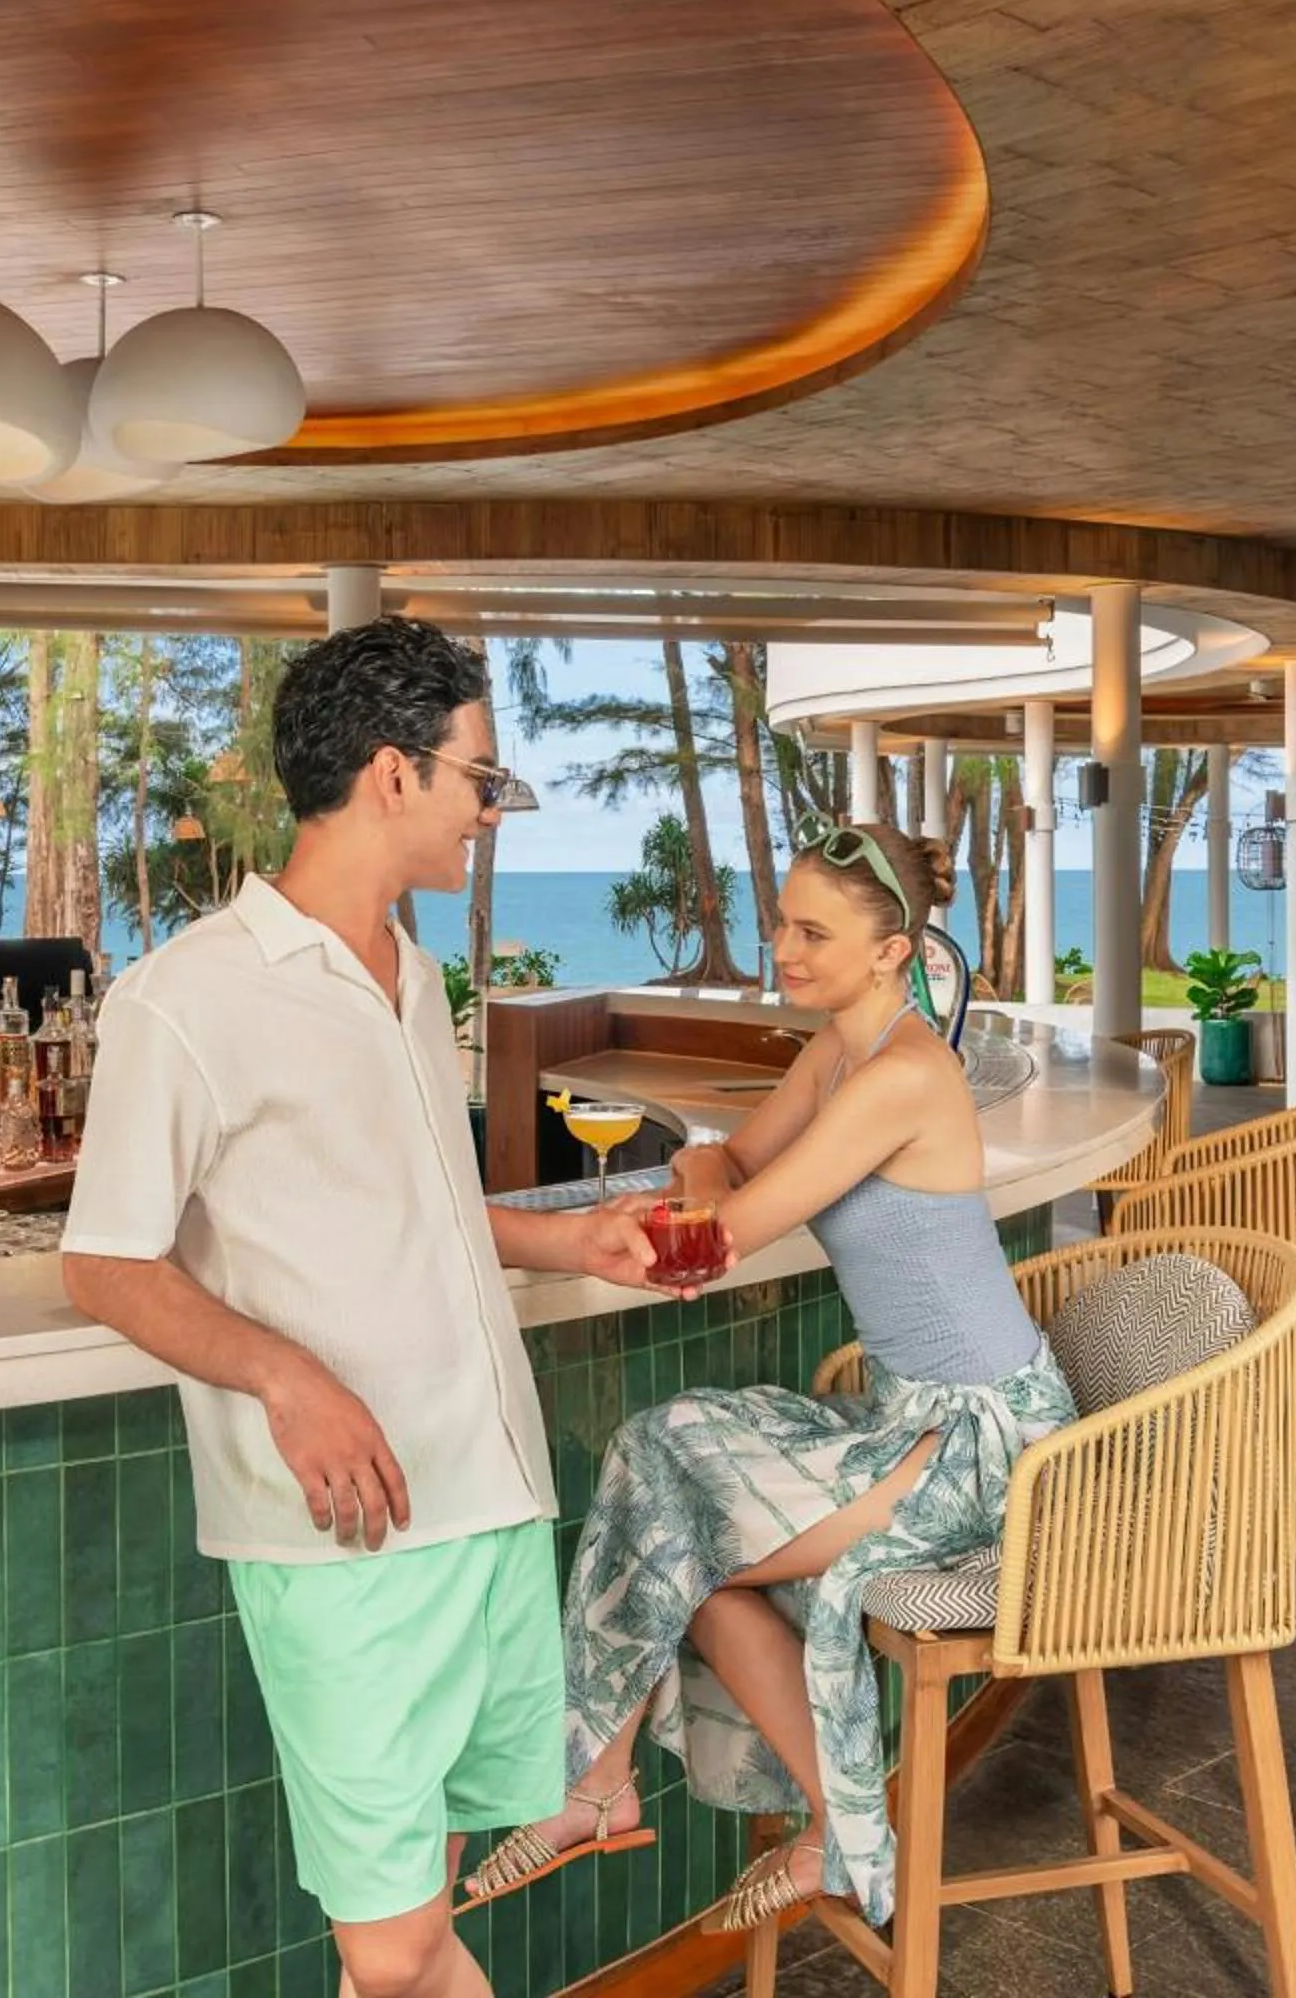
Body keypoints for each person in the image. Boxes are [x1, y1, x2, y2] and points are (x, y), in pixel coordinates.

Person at [59, 615, 703, 1998]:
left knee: (413, 1924)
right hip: (345, 1538)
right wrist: (289, 1382)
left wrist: (568, 1240)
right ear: (394, 775)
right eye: (483, 779)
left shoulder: (413, 974)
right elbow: (106, 1262)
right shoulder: (182, 1001)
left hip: (484, 1492)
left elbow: (406, 1212)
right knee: (395, 1943)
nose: (491, 812)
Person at [460, 814, 1078, 1935]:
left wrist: (686, 1196)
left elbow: (725, 1225)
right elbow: (725, 1154)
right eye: (777, 922)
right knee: (673, 1493)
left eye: (811, 931)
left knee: (669, 1478)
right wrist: (702, 1169)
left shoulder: (901, 1075)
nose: (780, 949)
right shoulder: (836, 1049)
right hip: (906, 1419)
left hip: (988, 1446)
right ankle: (639, 1790)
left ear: (893, 952)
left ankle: (653, 1793)